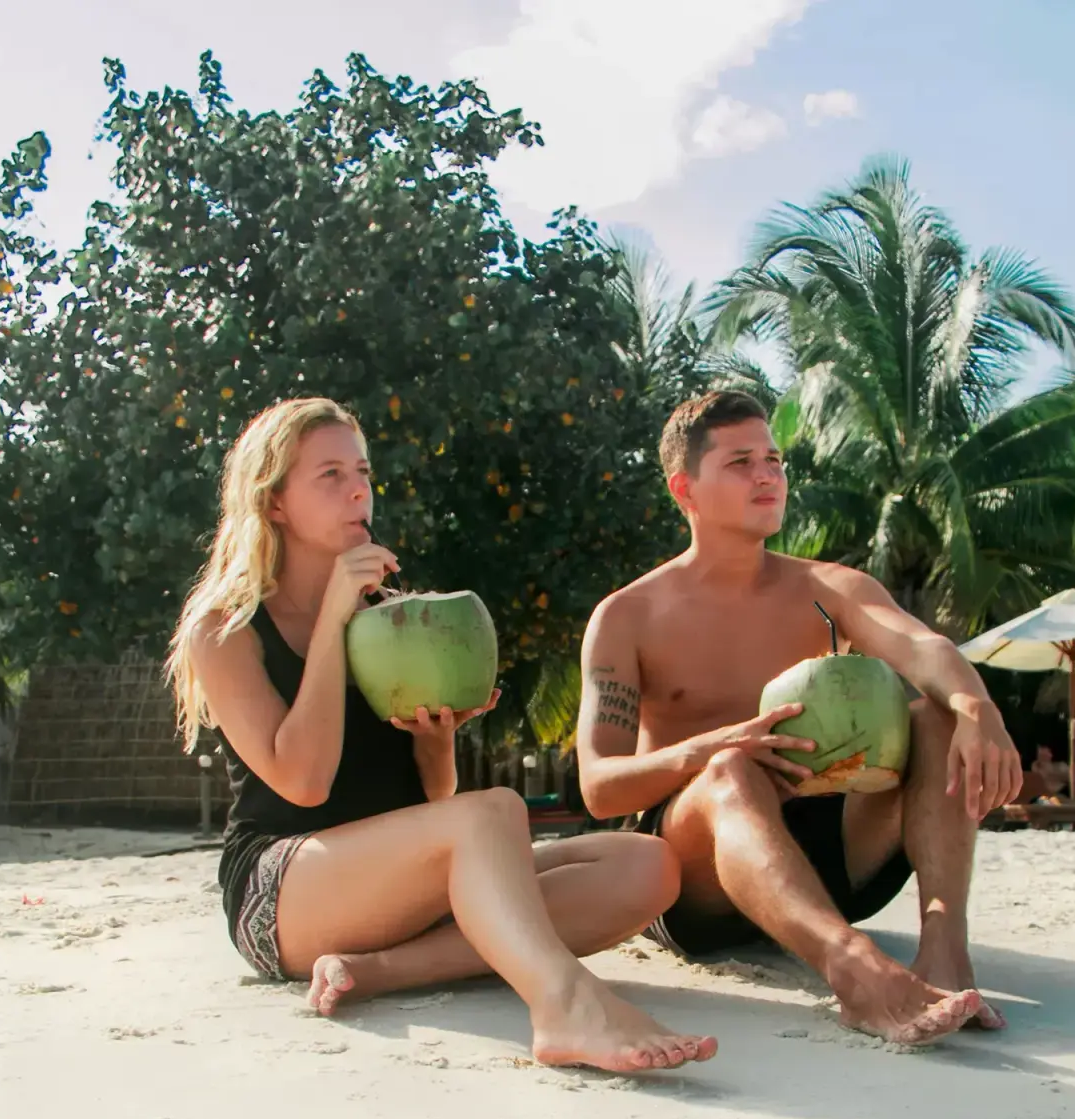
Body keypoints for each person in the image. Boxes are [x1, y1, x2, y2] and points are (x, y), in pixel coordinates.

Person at [165, 397, 716, 1074]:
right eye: (329, 474)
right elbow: (302, 781)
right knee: (498, 812)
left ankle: (379, 971)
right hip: (283, 890)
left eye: (362, 471)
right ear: (274, 502)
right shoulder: (225, 627)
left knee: (647, 866)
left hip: (395, 893)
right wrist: (335, 617)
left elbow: (432, 802)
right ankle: (562, 1002)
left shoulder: (396, 621)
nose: (358, 489)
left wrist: (435, 739)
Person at [576, 391, 1023, 1048]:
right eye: (740, 462)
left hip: (829, 858)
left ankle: (945, 951)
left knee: (932, 715)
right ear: (685, 490)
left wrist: (975, 708)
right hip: (699, 879)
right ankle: (854, 971)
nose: (767, 475)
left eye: (774, 459)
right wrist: (706, 750)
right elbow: (598, 784)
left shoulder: (828, 588)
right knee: (731, 770)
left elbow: (923, 648)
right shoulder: (627, 616)